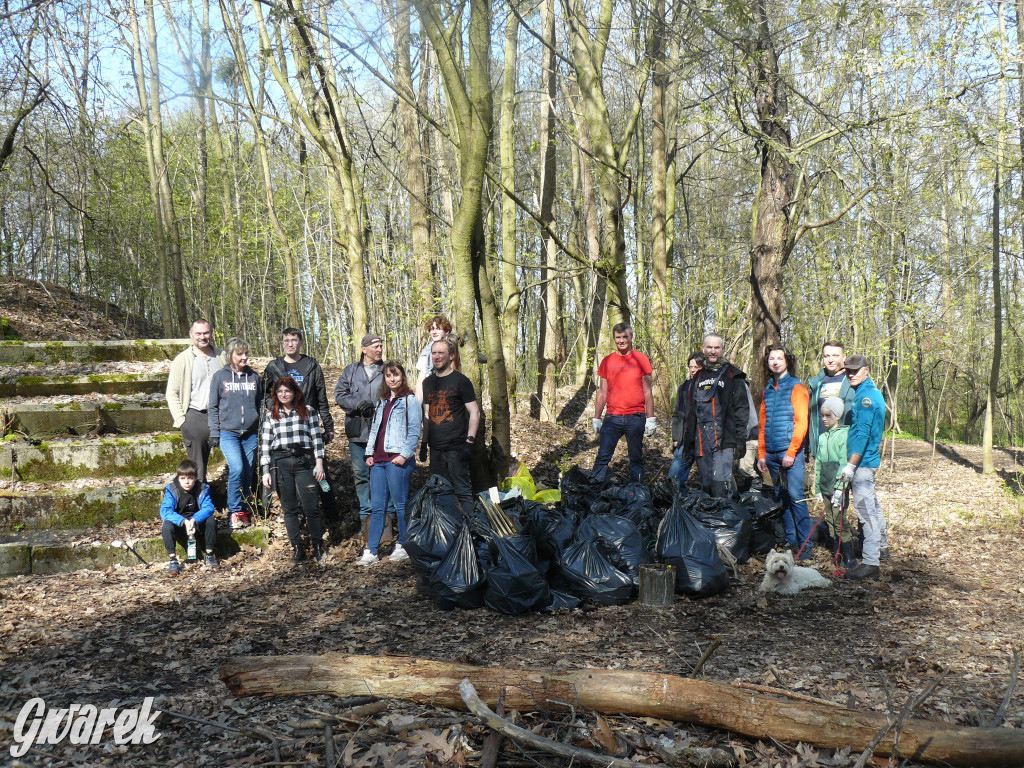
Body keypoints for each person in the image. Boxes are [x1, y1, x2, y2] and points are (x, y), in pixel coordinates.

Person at [262, 327, 338, 523]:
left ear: (300, 342)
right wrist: (276, 409)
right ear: (282, 342)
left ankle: (331, 513)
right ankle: (300, 516)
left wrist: (328, 426)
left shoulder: (311, 365)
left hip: (308, 426)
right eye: (286, 340)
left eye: (294, 340)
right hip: (285, 430)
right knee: (290, 477)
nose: (290, 344)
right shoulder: (274, 366)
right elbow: (265, 396)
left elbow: (321, 397)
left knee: (321, 474)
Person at [359, 361, 422, 566]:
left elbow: (414, 431)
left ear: (402, 376)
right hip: (378, 460)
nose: (392, 379)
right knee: (377, 507)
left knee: (400, 504)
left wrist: (404, 455)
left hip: (397, 460)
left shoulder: (409, 400)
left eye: (395, 375)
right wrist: (369, 453)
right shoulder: (382, 401)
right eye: (388, 375)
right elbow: (376, 429)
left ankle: (403, 545)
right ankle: (371, 550)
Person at [260, 376, 327, 566]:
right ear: (275, 394)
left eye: (287, 391)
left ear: (294, 392)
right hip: (281, 464)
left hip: (304, 462)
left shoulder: (308, 412)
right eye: (280, 391)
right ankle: (297, 547)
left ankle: (317, 545)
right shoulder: (271, 415)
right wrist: (266, 471)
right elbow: (265, 445)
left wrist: (319, 463)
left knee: (311, 506)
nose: (283, 394)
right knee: (289, 509)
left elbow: (317, 439)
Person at [756, 345, 813, 559]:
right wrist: (762, 453)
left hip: (791, 453)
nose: (776, 362)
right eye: (772, 358)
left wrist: (791, 452)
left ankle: (805, 546)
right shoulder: (768, 389)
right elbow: (763, 424)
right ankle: (790, 540)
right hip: (771, 454)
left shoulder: (797, 388)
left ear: (787, 362)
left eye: (779, 358)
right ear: (768, 362)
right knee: (782, 497)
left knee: (796, 496)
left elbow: (801, 423)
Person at [838, 354, 888, 581]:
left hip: (863, 464)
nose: (850, 374)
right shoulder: (867, 392)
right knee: (874, 507)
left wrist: (850, 465)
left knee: (866, 511)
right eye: (848, 370)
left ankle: (870, 562)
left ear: (866, 370)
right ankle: (882, 547)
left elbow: (863, 434)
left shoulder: (866, 397)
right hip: (866, 462)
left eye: (855, 370)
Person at [681, 333, 750, 497]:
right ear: (703, 349)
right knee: (706, 488)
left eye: (717, 347)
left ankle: (724, 521)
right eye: (709, 347)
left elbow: (742, 409)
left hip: (724, 442)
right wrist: (688, 442)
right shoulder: (697, 377)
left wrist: (740, 439)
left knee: (720, 488)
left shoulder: (733, 375)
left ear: (722, 350)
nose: (713, 351)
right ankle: (709, 522)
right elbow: (691, 413)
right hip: (701, 442)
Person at [420, 336, 480, 512]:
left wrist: (470, 441)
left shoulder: (461, 381)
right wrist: (424, 443)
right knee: (439, 490)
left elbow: (474, 412)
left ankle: (471, 528)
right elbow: (427, 414)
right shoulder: (428, 382)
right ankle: (445, 529)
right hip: (436, 448)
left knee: (462, 490)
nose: (437, 357)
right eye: (434, 353)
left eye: (441, 353)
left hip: (456, 447)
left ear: (451, 356)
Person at [334, 333, 385, 536]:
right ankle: (366, 519)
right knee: (361, 476)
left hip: (381, 433)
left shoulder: (386, 370)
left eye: (381, 346)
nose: (380, 349)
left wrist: (375, 404)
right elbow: (339, 394)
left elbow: (396, 394)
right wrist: (356, 405)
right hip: (357, 433)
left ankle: (384, 518)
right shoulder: (351, 371)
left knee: (380, 476)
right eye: (376, 346)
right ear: (364, 349)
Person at [591, 323, 656, 483]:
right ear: (614, 339)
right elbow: (602, 392)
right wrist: (597, 417)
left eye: (625, 337)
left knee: (635, 458)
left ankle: (638, 496)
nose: (621, 341)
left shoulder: (641, 359)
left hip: (635, 417)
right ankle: (592, 492)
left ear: (631, 337)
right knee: (603, 457)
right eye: (618, 337)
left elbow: (647, 391)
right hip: (612, 417)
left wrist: (651, 418)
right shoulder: (607, 361)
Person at [208, 337, 262, 530]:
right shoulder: (220, 377)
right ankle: (234, 510)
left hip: (250, 433)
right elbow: (213, 406)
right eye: (240, 354)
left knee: (248, 472)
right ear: (230, 355)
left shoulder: (254, 377)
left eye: (246, 353)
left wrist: (259, 425)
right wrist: (215, 431)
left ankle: (246, 508)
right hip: (228, 432)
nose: (244, 357)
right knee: (237, 468)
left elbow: (260, 404)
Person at [166, 319, 227, 483]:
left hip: (222, 415)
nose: (202, 336)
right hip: (195, 415)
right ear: (191, 335)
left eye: (206, 333)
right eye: (198, 333)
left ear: (211, 333)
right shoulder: (183, 359)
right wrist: (181, 419)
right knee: (197, 467)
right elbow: (171, 392)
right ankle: (198, 500)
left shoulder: (222, 357)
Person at [814, 396, 857, 569]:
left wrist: (840, 488)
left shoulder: (844, 435)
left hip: (838, 487)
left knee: (840, 521)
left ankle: (850, 557)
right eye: (822, 415)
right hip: (825, 486)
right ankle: (837, 553)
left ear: (837, 416)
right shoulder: (823, 437)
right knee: (831, 520)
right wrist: (817, 487)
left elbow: (843, 463)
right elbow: (818, 463)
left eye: (828, 415)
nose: (824, 419)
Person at [160, 459, 217, 576]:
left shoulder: (203, 488)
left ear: (195, 478)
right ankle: (173, 560)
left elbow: (209, 508)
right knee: (166, 525)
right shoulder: (172, 489)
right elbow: (165, 511)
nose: (186, 482)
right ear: (178, 478)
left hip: (196, 522)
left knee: (211, 521)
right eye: (183, 478)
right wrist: (183, 521)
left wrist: (195, 519)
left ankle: (209, 555)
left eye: (190, 478)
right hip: (180, 523)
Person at [806, 340, 856, 452]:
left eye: (835, 356)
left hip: (847, 448)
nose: (831, 360)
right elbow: (809, 417)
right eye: (827, 356)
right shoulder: (815, 384)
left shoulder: (853, 382)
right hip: (822, 448)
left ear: (843, 357)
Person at [670, 353, 703, 493]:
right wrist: (676, 437)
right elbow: (677, 413)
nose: (693, 369)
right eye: (691, 366)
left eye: (696, 366)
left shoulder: (709, 387)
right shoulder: (683, 387)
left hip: (704, 437)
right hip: (685, 438)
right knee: (673, 478)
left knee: (711, 479)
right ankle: (678, 504)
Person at [415, 315, 452, 403]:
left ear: (447, 331)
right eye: (432, 329)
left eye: (438, 328)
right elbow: (421, 383)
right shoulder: (426, 353)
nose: (434, 332)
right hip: (434, 399)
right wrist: (417, 408)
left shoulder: (455, 347)